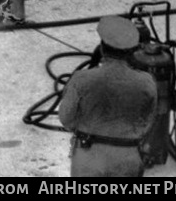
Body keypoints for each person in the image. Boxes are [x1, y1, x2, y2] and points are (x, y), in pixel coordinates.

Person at [58, 15, 158, 177]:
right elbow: (147, 123)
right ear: (132, 52)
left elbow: (66, 118)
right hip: (127, 158)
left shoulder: (81, 79)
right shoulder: (147, 83)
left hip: (88, 157)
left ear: (102, 48)